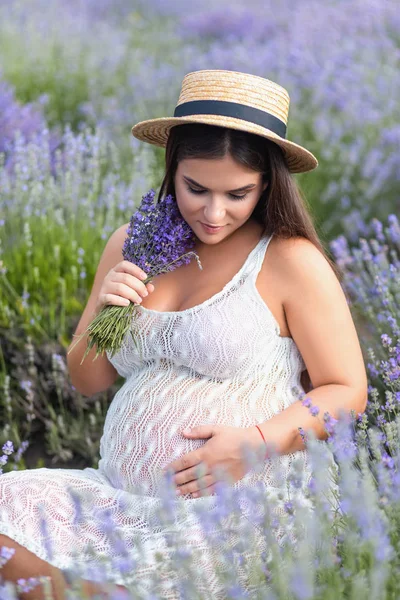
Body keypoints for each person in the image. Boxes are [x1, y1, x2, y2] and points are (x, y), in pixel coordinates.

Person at [0, 69, 367, 598]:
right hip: (116, 498)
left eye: (237, 194)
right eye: (196, 188)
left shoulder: (290, 260)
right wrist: (108, 309)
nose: (214, 213)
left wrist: (256, 443)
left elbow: (346, 391)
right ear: (172, 169)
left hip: (235, 505)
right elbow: (86, 380)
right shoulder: (134, 245)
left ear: (266, 183)